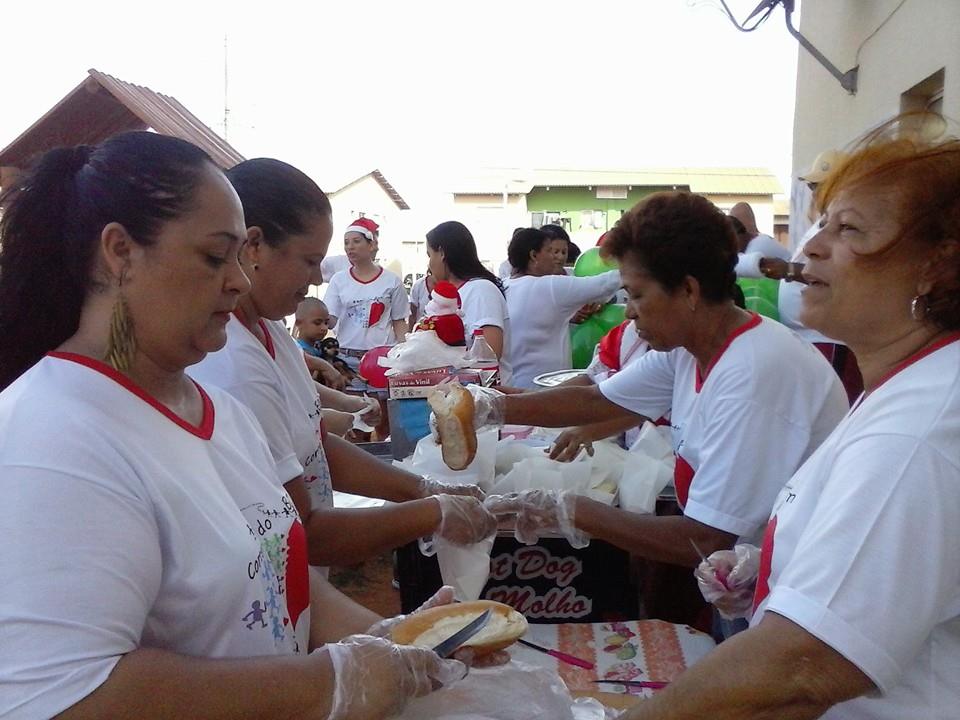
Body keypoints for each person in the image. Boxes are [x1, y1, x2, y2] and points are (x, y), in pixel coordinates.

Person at [0, 132, 463, 719]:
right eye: (215, 256)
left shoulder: (223, 415)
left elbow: (278, 573)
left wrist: (397, 646)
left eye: (241, 255)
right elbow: (68, 693)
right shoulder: (51, 437)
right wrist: (328, 681)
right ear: (121, 253)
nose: (240, 280)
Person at [612, 118, 960, 720]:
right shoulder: (909, 386)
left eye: (848, 229)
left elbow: (801, 664)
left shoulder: (919, 425)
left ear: (937, 266)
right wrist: (778, 575)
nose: (812, 247)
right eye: (820, 222)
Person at [476, 192, 849, 635]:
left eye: (636, 294)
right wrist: (489, 407)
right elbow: (599, 399)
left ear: (688, 291)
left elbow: (706, 538)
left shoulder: (752, 372)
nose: (629, 312)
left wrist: (570, 510)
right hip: (743, 579)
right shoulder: (690, 349)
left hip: (792, 597)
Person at [189, 158, 496, 571]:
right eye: (309, 259)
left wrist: (423, 488)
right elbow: (305, 532)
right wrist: (434, 511)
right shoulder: (234, 365)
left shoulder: (270, 332)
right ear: (255, 246)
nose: (318, 276)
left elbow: (317, 446)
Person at [503, 227, 621, 388]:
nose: (556, 257)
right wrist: (639, 267)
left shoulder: (503, 286)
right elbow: (604, 283)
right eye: (550, 250)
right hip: (547, 388)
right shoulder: (549, 286)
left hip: (513, 385)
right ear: (534, 255)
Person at [426, 220, 513, 383]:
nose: (429, 264)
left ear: (442, 253)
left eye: (430, 255)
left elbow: (490, 355)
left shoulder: (481, 290)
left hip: (483, 397)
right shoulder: (448, 297)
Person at [323, 216, 409, 373]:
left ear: (371, 245)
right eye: (346, 243)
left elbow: (399, 322)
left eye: (356, 241)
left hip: (383, 359)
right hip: (346, 360)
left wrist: (405, 356)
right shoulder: (338, 280)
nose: (350, 247)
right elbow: (330, 319)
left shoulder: (392, 281)